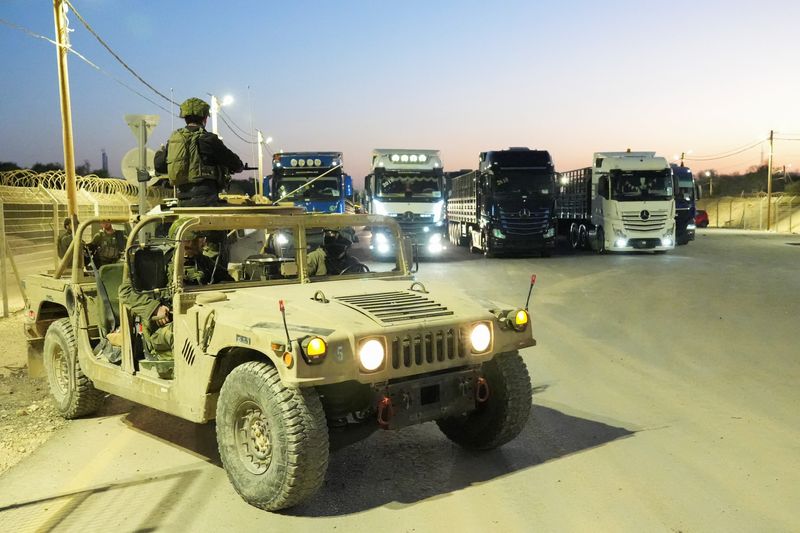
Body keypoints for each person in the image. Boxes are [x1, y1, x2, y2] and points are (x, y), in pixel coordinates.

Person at [119, 222, 233, 361]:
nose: (193, 244)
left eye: (198, 239)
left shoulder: (204, 263)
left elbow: (230, 283)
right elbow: (125, 291)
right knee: (188, 334)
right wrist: (155, 309)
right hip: (164, 327)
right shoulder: (157, 264)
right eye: (188, 240)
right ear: (177, 241)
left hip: (200, 318)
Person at [154, 97, 245, 207]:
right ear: (205, 119)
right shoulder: (209, 140)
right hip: (207, 202)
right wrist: (238, 167)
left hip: (182, 201)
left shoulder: (175, 141)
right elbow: (235, 164)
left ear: (185, 118)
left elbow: (159, 166)